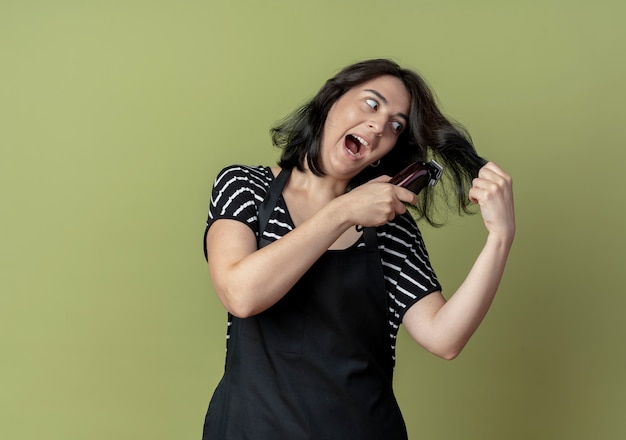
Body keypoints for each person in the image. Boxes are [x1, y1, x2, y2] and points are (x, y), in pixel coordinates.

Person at [201, 59, 515, 439]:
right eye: (371, 104)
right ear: (331, 100)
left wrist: (499, 239)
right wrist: (344, 211)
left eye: (396, 125)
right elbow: (241, 294)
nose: (380, 125)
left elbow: (444, 338)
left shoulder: (391, 229)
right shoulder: (244, 187)